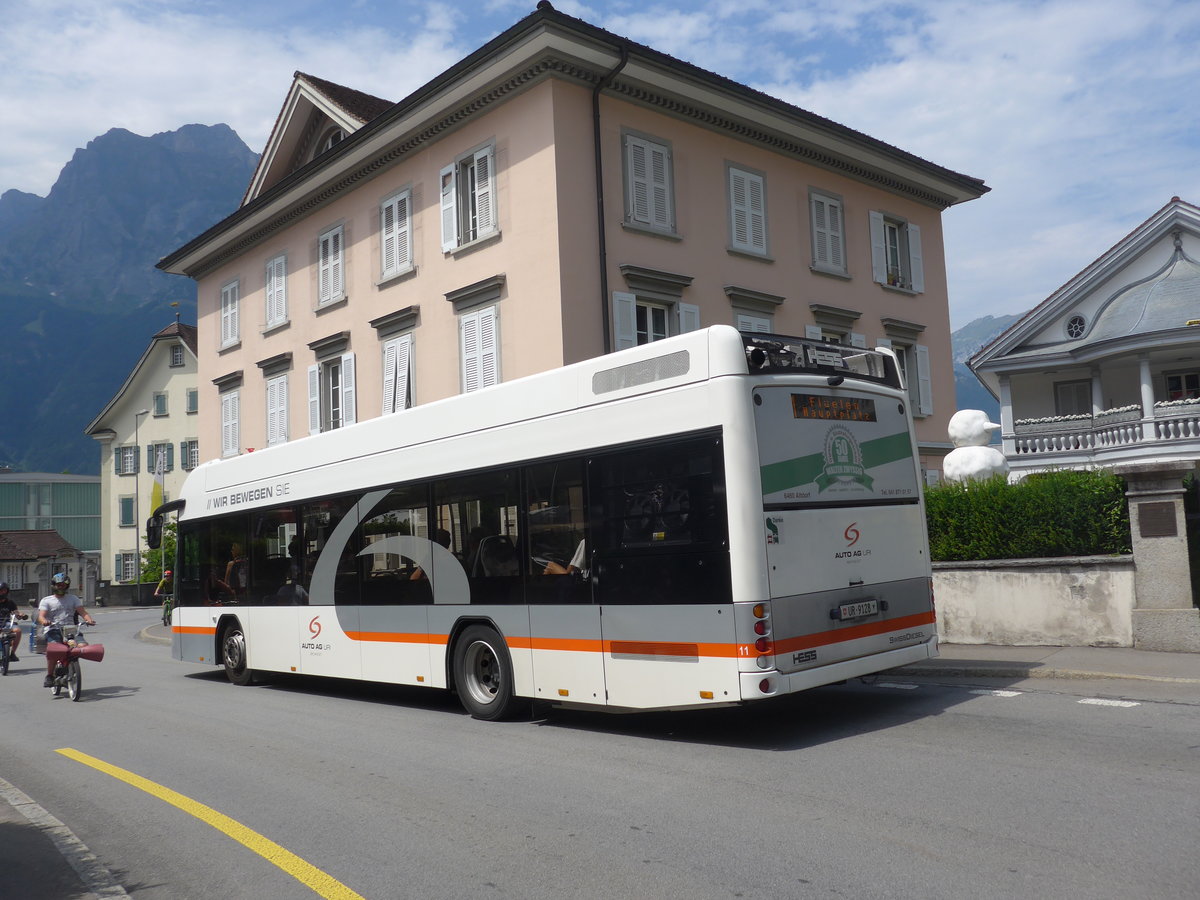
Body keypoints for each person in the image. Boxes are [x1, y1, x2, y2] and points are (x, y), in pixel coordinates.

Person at [37, 573, 95, 687]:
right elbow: (41, 616)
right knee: (54, 650)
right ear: (54, 585)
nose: (61, 587)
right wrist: (44, 621)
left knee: (83, 646)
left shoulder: (73, 599)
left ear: (67, 586)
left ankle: (71, 664)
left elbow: (82, 612)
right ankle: (49, 675)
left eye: (63, 585)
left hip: (71, 628)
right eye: (58, 585)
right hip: (53, 629)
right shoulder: (46, 600)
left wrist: (89, 620)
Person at [0, 581, 26, 662]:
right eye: (0, 590)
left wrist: (20, 615)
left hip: (7, 623)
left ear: (7, 591)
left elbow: (15, 612)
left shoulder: (10, 603)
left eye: (4, 590)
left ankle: (12, 653)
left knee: (18, 631)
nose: (2, 592)